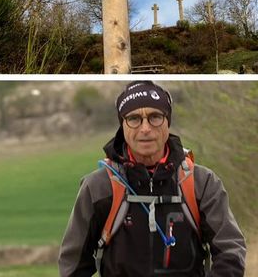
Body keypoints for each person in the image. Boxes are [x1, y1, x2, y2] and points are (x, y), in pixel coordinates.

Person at [58, 81, 246, 276]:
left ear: (168, 122)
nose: (145, 128)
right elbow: (73, 265)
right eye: (134, 118)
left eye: (155, 117)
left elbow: (230, 250)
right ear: (122, 125)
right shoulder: (98, 187)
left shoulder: (202, 183)